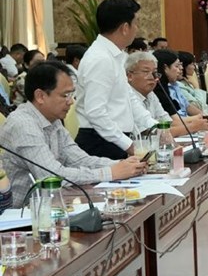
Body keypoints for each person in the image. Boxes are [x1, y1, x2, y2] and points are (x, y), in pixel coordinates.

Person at [0, 61, 146, 208]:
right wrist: (110, 173)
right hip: (21, 213)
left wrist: (124, 165)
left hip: (51, 203)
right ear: (40, 96)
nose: (71, 101)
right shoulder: (23, 124)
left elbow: (79, 160)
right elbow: (52, 176)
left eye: (72, 94)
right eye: (65, 95)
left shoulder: (52, 120)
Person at [75, 0, 159, 160]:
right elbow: (96, 112)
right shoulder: (100, 59)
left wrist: (154, 126)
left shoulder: (115, 56)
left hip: (114, 140)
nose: (137, 29)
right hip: (100, 143)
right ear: (125, 28)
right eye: (136, 23)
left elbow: (129, 97)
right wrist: (128, 145)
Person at [126, 52, 208, 137]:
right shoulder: (127, 98)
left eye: (155, 72)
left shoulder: (151, 94)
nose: (152, 77)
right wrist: (192, 127)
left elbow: (167, 122)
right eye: (146, 72)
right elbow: (153, 132)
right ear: (130, 76)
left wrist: (195, 123)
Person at [152, 49, 203, 117]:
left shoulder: (175, 85)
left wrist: (205, 116)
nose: (180, 69)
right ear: (165, 68)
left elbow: (187, 106)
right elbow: (175, 119)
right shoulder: (160, 89)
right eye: (176, 66)